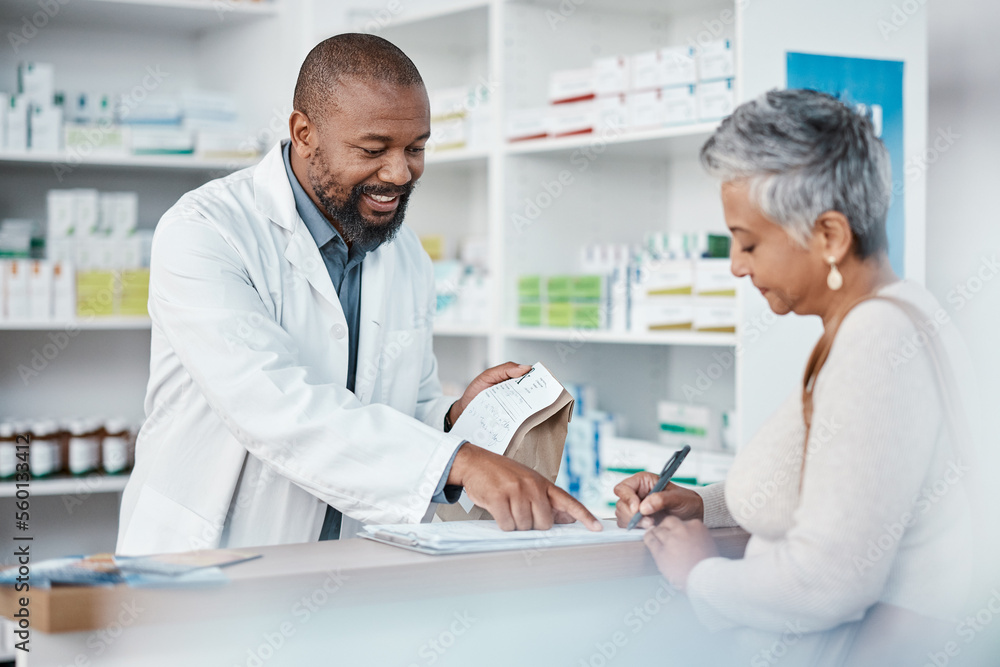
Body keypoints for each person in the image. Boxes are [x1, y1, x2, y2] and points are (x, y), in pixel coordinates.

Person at [117, 34, 599, 556]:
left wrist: (452, 418)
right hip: (210, 558)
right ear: (304, 133)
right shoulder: (206, 231)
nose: (399, 173)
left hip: (351, 558)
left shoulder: (404, 252)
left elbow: (399, 403)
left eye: (416, 148)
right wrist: (458, 461)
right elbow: (273, 406)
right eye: (373, 150)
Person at [614, 89, 980, 665]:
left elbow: (829, 579)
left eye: (749, 241)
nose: (736, 266)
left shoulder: (878, 340)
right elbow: (835, 492)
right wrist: (701, 506)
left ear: (830, 236)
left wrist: (700, 574)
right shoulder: (885, 318)